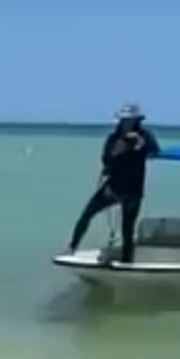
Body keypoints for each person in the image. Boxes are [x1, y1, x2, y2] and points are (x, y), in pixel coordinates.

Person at [65, 103, 161, 263]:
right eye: (123, 120)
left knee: (127, 230)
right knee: (87, 215)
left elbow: (156, 151)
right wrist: (116, 151)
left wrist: (141, 144)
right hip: (113, 188)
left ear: (137, 120)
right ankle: (72, 247)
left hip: (133, 191)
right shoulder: (114, 138)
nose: (125, 124)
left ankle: (126, 262)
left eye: (129, 120)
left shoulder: (145, 135)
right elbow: (105, 159)